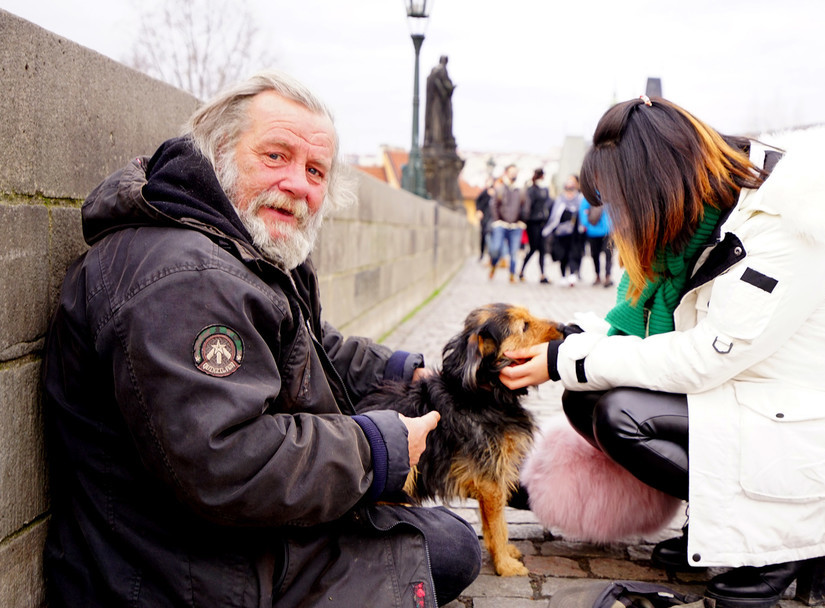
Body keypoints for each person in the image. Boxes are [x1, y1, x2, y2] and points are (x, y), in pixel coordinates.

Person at [41, 71, 481, 607]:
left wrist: (404, 370)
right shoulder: (188, 279)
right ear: (218, 151)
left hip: (219, 543)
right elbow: (226, 460)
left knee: (443, 540)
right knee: (446, 546)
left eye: (315, 171)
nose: (299, 185)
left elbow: (314, 347)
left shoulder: (235, 243)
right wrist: (377, 447)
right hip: (176, 573)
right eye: (276, 157)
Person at [500, 97, 825, 608]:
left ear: (659, 188)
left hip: (819, 429)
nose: (620, 219)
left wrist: (566, 360)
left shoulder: (784, 226)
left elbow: (706, 357)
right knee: (584, 396)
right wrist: (564, 351)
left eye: (623, 203)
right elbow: (638, 327)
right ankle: (722, 521)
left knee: (622, 415)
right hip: (761, 400)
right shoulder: (701, 226)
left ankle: (781, 544)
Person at [542, 175, 587, 286]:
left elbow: (583, 216)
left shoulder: (580, 200)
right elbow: (554, 217)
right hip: (561, 234)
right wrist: (549, 229)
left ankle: (572, 274)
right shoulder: (560, 200)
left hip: (575, 234)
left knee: (574, 254)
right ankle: (563, 276)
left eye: (572, 190)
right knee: (562, 255)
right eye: (567, 190)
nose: (570, 193)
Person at [488, 164, 526, 282]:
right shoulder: (500, 189)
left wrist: (522, 221)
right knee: (496, 248)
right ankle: (494, 264)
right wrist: (497, 220)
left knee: (514, 252)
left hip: (515, 225)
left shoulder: (520, 190)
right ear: (506, 173)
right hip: (501, 224)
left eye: (515, 172)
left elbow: (525, 206)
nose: (513, 175)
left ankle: (511, 275)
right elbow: (493, 205)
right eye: (511, 172)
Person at [520, 168, 552, 283]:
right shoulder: (531, 190)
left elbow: (548, 203)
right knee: (533, 249)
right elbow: (528, 206)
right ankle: (521, 271)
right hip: (533, 223)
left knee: (543, 249)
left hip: (542, 223)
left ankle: (543, 274)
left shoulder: (544, 189)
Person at [580, 198, 614, 287]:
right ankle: (598, 275)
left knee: (608, 254)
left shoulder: (609, 194)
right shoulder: (591, 195)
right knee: (596, 255)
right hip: (594, 231)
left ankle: (607, 276)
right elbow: (583, 210)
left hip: (607, 231)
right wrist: (586, 224)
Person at [475, 177, 494, 260]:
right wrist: (478, 211)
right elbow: (477, 202)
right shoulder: (484, 192)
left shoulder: (495, 192)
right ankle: (482, 253)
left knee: (491, 235)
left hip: (492, 218)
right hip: (484, 217)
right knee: (483, 235)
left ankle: (491, 254)